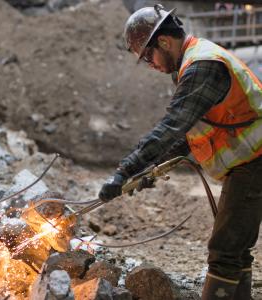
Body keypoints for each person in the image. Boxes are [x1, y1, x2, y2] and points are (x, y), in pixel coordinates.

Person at [98, 4, 262, 300]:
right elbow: (187, 136)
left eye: (148, 55)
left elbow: (172, 126)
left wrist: (126, 169)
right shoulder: (192, 64)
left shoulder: (202, 66)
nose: (150, 64)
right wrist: (148, 169)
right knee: (235, 248)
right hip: (250, 162)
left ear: (164, 41)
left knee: (225, 249)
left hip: (256, 160)